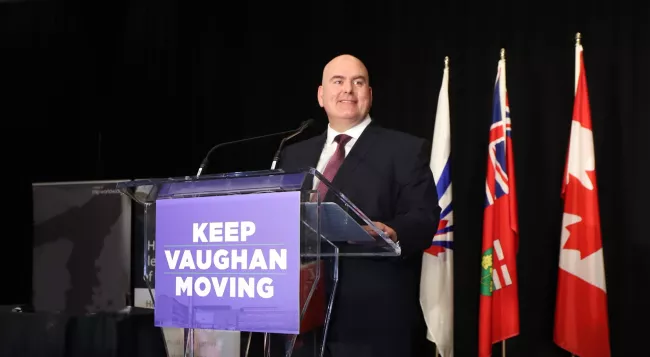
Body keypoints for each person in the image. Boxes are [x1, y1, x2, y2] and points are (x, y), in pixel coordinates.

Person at [276, 54, 441, 357]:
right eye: (337, 82)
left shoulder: (404, 149)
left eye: (358, 82)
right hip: (301, 314)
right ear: (321, 95)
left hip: (372, 319)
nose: (347, 90)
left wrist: (391, 230)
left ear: (370, 94)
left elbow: (425, 215)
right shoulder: (293, 154)